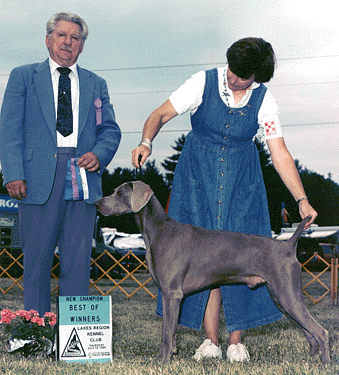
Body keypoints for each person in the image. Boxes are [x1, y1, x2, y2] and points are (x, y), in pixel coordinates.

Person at [132, 37, 317, 362]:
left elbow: (280, 153)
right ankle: (210, 341)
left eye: (241, 77)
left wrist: (301, 198)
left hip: (241, 183)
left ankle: (236, 343)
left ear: (257, 77)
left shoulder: (264, 100)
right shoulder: (202, 83)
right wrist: (146, 141)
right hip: (197, 178)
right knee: (203, 260)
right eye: (231, 71)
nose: (232, 79)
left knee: (244, 256)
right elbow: (159, 114)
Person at [0, 13, 121, 317]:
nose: (68, 42)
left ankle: (72, 334)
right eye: (61, 35)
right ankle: (36, 329)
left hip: (83, 175)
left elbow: (110, 129)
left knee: (78, 262)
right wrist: (13, 173)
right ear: (48, 39)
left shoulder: (96, 83)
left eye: (75, 37)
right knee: (37, 262)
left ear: (82, 46)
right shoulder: (22, 76)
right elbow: (9, 129)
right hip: (36, 179)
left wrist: (99, 154)